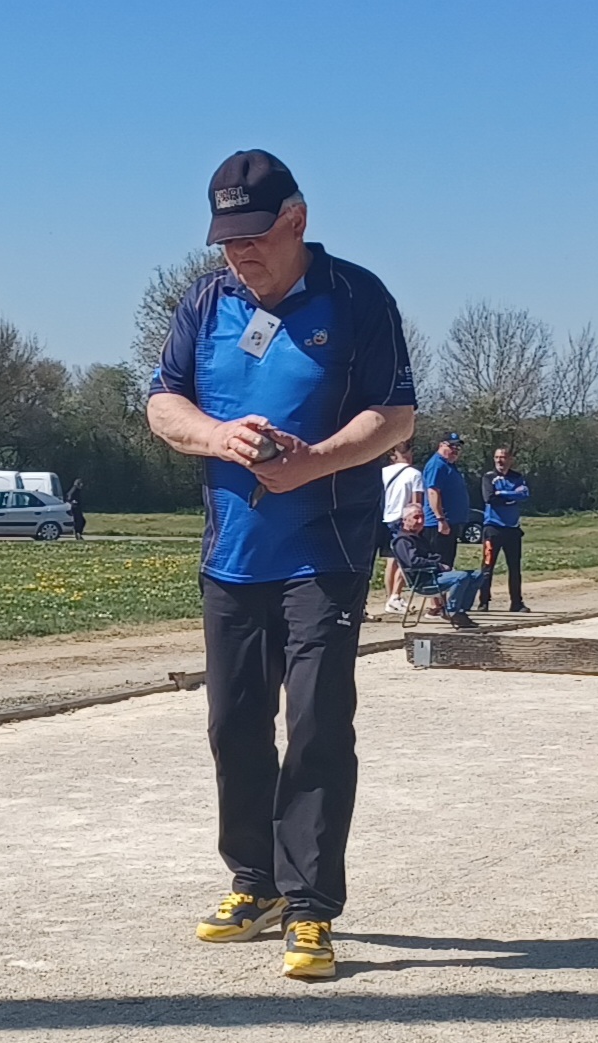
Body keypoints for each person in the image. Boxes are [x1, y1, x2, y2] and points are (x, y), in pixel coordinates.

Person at [146, 149, 415, 979]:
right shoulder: (204, 301)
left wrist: (316, 460)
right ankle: (254, 882)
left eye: (255, 235)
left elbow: (396, 415)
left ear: (297, 219)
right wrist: (215, 434)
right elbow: (162, 401)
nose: (239, 253)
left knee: (318, 722)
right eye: (226, 238)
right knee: (233, 724)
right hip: (232, 554)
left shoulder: (358, 297)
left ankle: (310, 906)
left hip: (324, 552)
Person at [392, 504, 480, 628]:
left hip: (435, 575)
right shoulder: (403, 540)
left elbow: (432, 555)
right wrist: (438, 565)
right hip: (423, 581)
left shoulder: (419, 537)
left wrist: (438, 561)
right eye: (416, 517)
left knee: (477, 575)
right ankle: (450, 611)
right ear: (405, 519)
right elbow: (413, 562)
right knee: (461, 576)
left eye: (422, 517)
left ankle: (461, 610)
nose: (420, 521)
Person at [478, 447, 531, 612]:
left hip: (512, 529)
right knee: (487, 566)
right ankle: (483, 602)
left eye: (503, 457)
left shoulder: (517, 477)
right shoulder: (489, 477)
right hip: (492, 528)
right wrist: (511, 496)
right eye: (497, 457)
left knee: (514, 568)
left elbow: (524, 495)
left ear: (510, 459)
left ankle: (516, 603)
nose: (499, 461)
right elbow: (490, 498)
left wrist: (502, 493)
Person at [379, 442, 423, 615]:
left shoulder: (383, 472)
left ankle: (390, 598)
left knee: (390, 561)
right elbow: (416, 502)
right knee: (405, 560)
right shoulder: (414, 474)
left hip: (386, 518)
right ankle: (395, 597)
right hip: (404, 519)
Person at [421, 433, 468, 571]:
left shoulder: (449, 465)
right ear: (441, 445)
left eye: (458, 447)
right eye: (452, 446)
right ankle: (435, 586)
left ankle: (443, 586)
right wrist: (440, 519)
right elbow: (433, 492)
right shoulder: (437, 465)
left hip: (450, 523)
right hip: (438, 525)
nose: (455, 450)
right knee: (439, 564)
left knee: (447, 564)